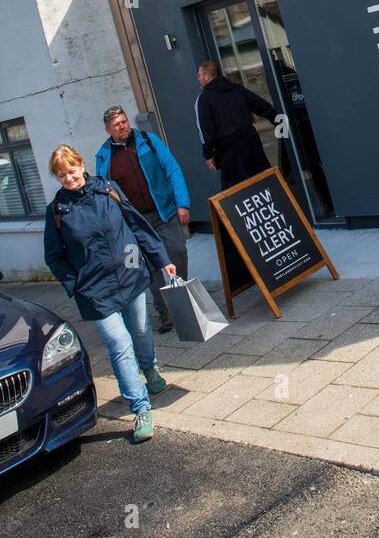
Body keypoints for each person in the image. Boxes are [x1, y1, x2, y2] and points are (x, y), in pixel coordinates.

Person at [43, 144, 175, 444]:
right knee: (119, 343)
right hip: (95, 291)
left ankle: (150, 367)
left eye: (72, 171)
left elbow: (137, 226)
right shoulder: (57, 212)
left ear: (81, 164)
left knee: (141, 330)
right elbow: (54, 257)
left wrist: (162, 260)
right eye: (61, 175)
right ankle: (140, 407)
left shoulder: (108, 190)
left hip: (130, 275)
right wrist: (75, 286)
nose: (68, 178)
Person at [95, 107, 190, 334]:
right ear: (108, 129)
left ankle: (182, 301)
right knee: (150, 267)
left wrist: (182, 203)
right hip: (135, 223)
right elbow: (104, 194)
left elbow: (172, 169)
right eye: (117, 124)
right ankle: (165, 312)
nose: (123, 126)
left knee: (177, 252)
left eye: (124, 121)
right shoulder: (104, 156)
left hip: (164, 212)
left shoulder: (147, 140)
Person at [194, 59, 277, 188]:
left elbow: (206, 131)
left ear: (207, 75)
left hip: (230, 153)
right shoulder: (236, 89)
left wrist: (208, 155)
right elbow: (260, 105)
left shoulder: (204, 99)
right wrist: (278, 120)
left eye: (199, 75)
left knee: (236, 194)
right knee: (265, 183)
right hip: (252, 144)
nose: (198, 78)